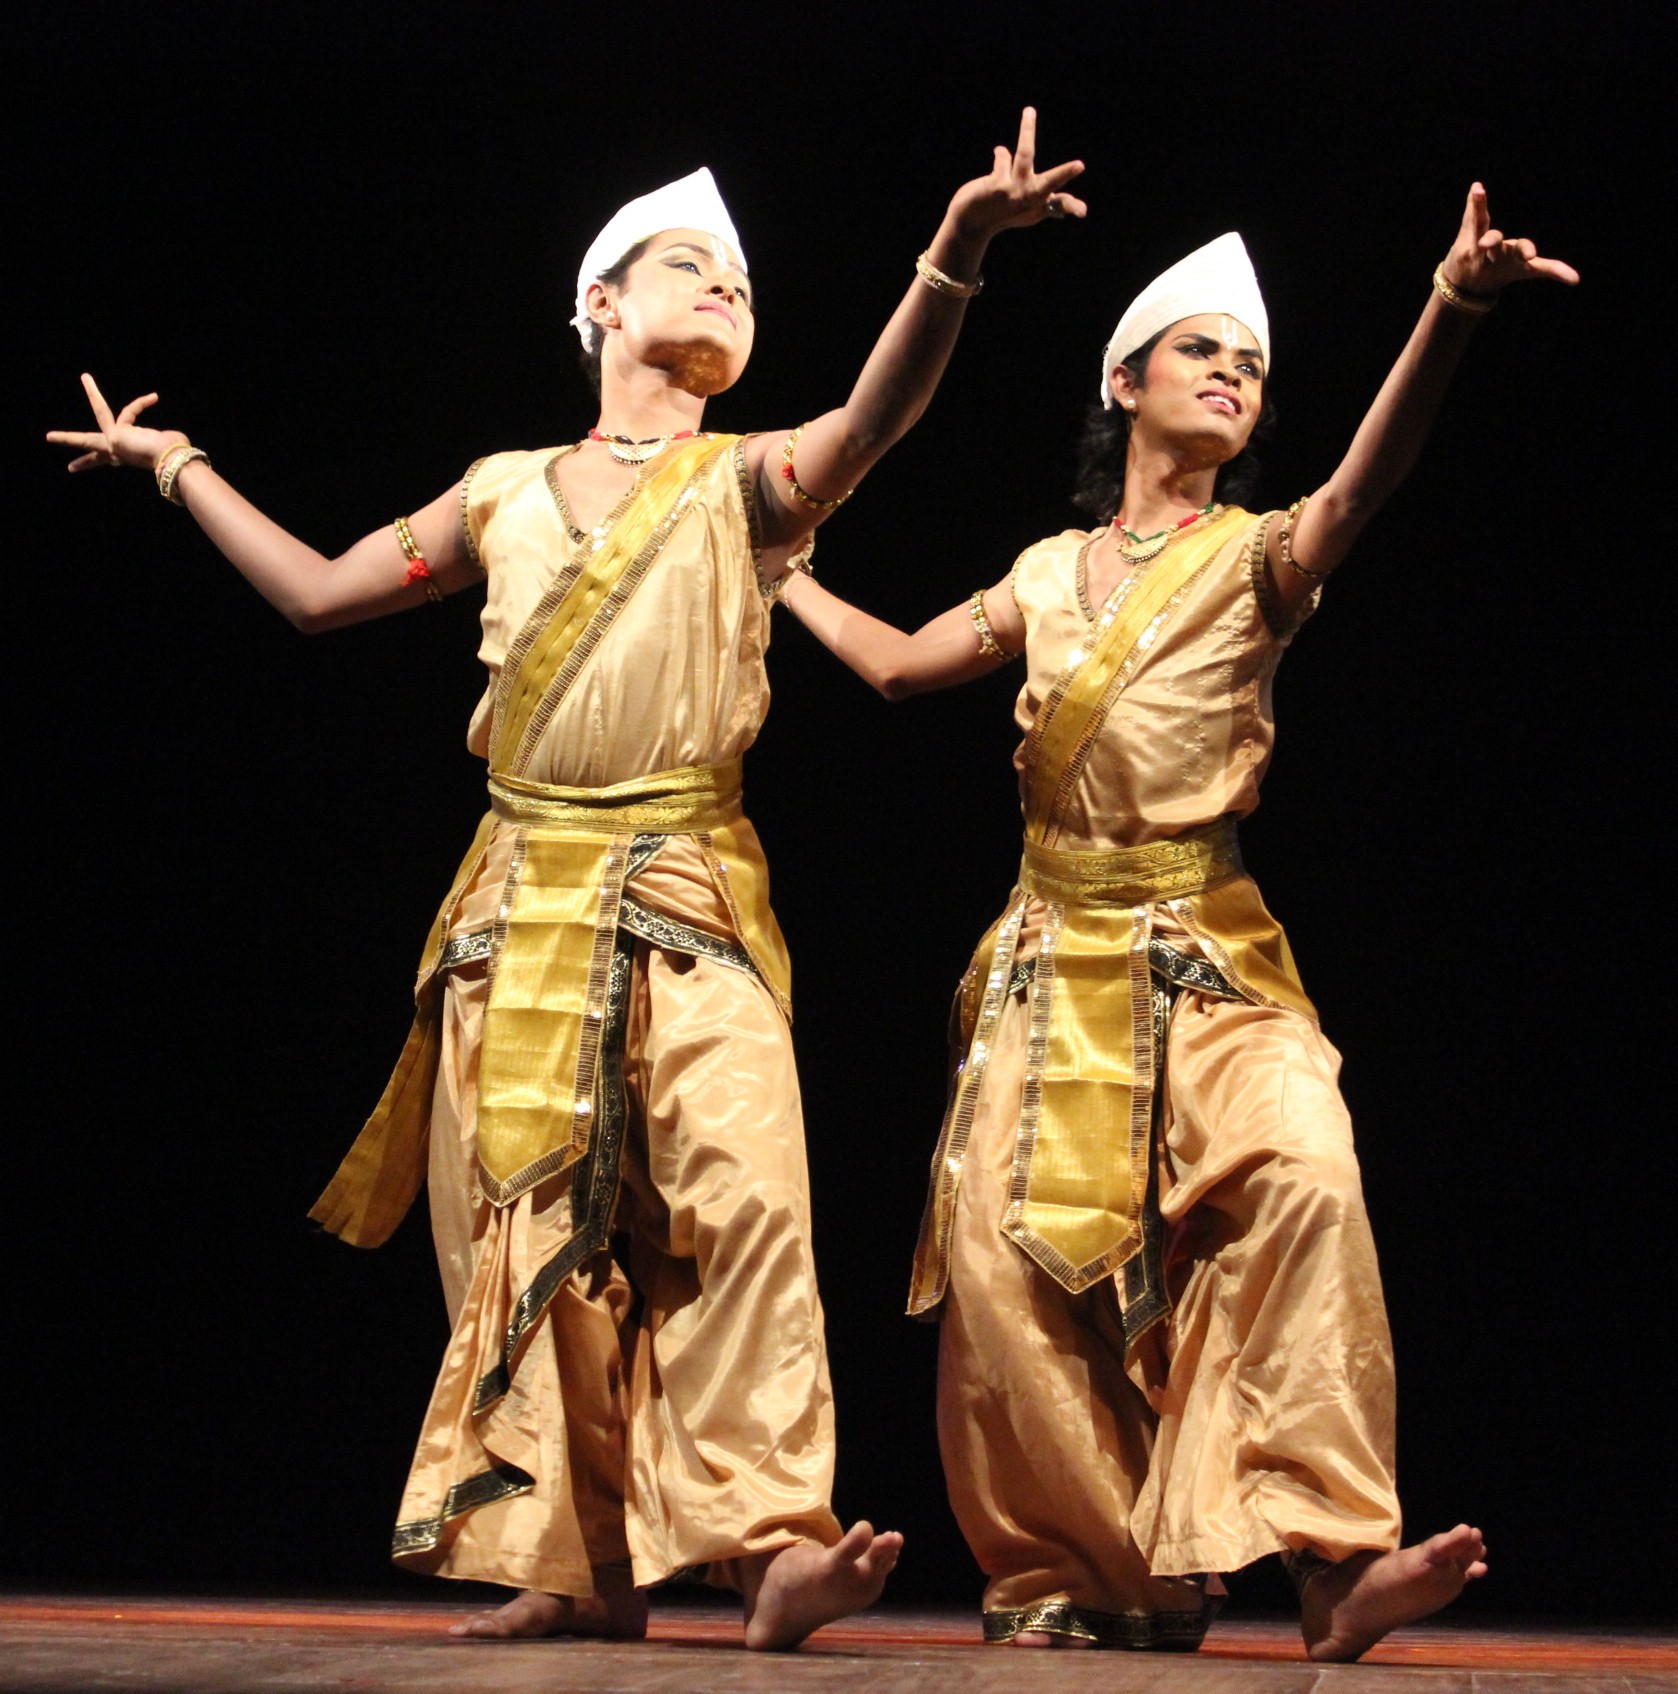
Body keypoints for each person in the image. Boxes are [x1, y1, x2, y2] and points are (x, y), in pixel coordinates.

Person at [45, 113, 1087, 1650]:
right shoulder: (502, 489)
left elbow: (876, 416)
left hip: (685, 894)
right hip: (515, 903)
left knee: (743, 1199)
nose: (728, 288)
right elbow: (322, 593)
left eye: (741, 279)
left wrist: (956, 255)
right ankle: (573, 1555)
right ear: (599, 301)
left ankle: (767, 1541)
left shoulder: (747, 481)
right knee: (525, 1231)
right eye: (689, 266)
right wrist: (176, 463)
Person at [778, 185, 1576, 1662]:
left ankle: (1335, 1566)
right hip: (1043, 960)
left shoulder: (1257, 555)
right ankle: (1098, 1575)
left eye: (1253, 366)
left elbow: (1358, 489)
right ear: (1122, 380)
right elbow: (896, 670)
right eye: (1201, 350)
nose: (1233, 374)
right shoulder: (1038, 571)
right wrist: (790, 583)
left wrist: (1449, 308)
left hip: (1201, 949)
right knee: (1008, 1266)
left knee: (1302, 1172)